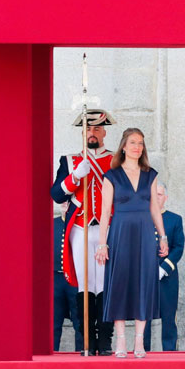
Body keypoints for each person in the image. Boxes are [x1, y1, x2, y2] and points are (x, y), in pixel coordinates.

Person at [95, 128, 169, 359]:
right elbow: (105, 211)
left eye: (141, 143)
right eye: (133, 142)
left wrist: (163, 236)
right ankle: (121, 339)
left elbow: (154, 208)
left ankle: (139, 340)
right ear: (124, 146)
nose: (137, 147)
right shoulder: (112, 175)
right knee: (119, 282)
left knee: (143, 281)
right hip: (119, 233)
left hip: (145, 234)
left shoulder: (150, 174)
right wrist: (102, 244)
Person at [50, 109, 116, 355]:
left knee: (105, 283)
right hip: (80, 227)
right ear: (83, 132)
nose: (92, 133)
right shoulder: (69, 160)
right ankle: (87, 339)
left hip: (107, 228)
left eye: (97, 129)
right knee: (85, 284)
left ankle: (105, 340)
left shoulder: (116, 159)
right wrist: (75, 177)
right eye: (88, 129)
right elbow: (57, 194)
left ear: (104, 132)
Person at [142, 183, 184, 351]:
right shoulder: (141, 218)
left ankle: (169, 351)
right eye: (154, 194)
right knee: (143, 316)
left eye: (159, 194)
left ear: (165, 198)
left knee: (168, 316)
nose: (156, 197)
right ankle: (142, 349)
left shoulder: (175, 219)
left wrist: (164, 268)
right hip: (144, 275)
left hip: (166, 276)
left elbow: (178, 247)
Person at [53, 202, 83, 352]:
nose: (66, 204)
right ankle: (52, 352)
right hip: (55, 279)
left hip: (75, 278)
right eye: (63, 202)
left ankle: (81, 353)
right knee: (54, 322)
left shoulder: (80, 225)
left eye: (69, 201)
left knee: (79, 321)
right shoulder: (52, 224)